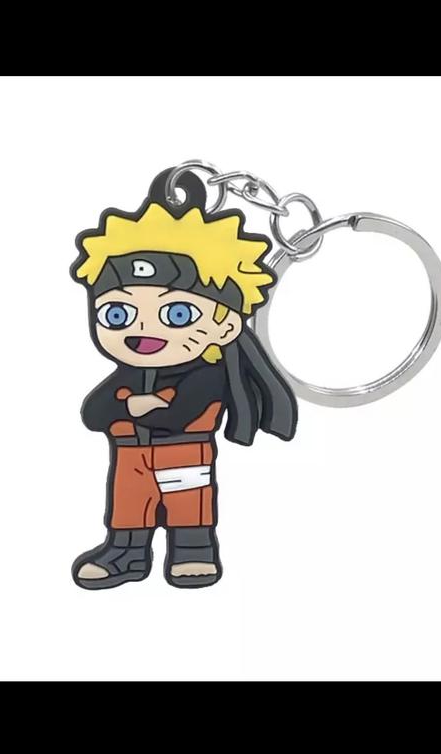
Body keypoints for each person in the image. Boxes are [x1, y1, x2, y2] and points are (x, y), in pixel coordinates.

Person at [70, 169, 297, 589]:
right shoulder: (128, 374)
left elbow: (176, 415)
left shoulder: (207, 375)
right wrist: (132, 405)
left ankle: (194, 551)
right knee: (128, 510)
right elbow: (92, 413)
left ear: (226, 325)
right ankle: (126, 554)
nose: (143, 329)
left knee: (189, 508)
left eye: (177, 314)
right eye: (118, 314)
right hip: (131, 461)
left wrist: (131, 408)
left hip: (185, 458)